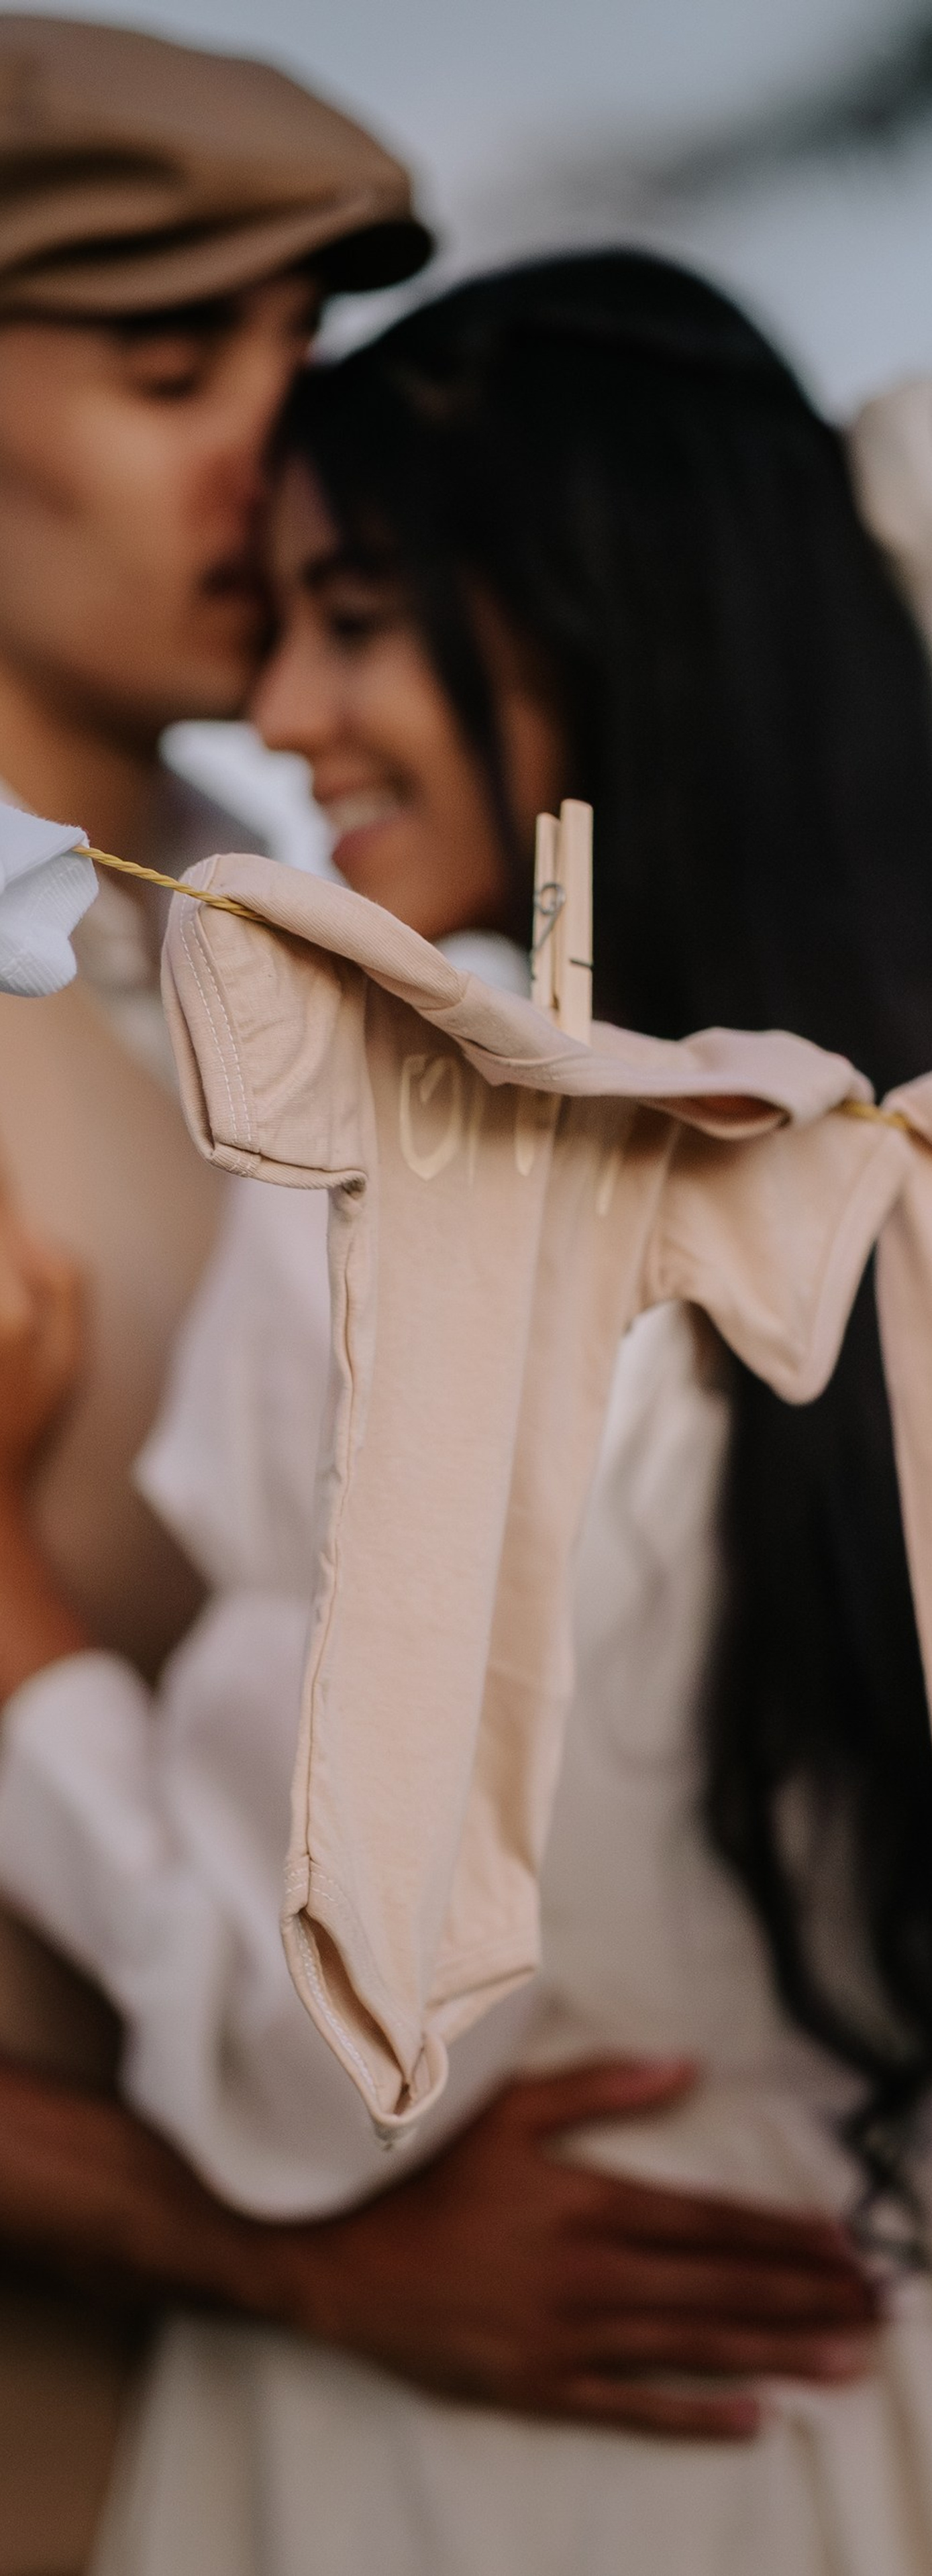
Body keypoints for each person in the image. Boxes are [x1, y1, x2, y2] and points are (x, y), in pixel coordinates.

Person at [0, 248, 932, 2575]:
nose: (286, 709)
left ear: (597, 626)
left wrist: (11, 1612)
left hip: (554, 2443)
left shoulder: (405, 1211)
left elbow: (290, 2051)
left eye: (354, 615)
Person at [0, 29, 875, 2574]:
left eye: (299, 360)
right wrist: (306, 2254)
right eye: (178, 370)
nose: (279, 458)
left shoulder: (406, 967)